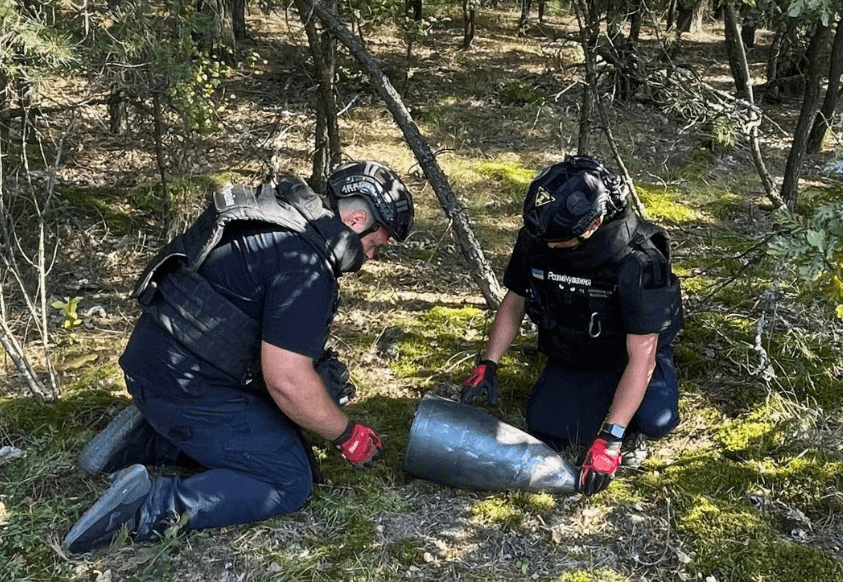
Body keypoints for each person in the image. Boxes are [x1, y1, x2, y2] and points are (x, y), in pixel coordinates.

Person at [63, 161, 415, 553]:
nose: (373, 256)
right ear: (355, 219)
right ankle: (142, 510)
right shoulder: (305, 267)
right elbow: (286, 381)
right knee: (288, 478)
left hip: (151, 369)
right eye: (376, 243)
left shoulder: (276, 220)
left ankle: (149, 439)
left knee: (293, 428)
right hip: (186, 391)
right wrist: (346, 433)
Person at [460, 155, 682, 497]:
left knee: (656, 419)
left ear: (591, 226)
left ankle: (628, 423)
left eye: (558, 240)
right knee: (545, 424)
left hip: (626, 357)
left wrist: (610, 440)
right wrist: (488, 363)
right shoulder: (540, 234)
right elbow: (514, 301)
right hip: (571, 350)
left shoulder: (638, 261)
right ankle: (595, 403)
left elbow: (642, 355)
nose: (549, 247)